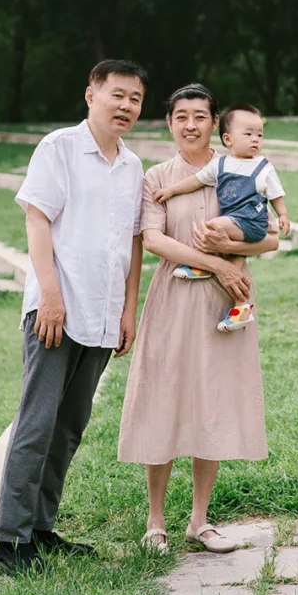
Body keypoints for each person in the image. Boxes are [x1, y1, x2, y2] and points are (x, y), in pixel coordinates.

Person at [0, 59, 149, 574]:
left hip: (103, 314)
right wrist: (50, 295)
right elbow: (37, 220)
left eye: (135, 99)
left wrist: (128, 309)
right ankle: (10, 541)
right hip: (56, 311)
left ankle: (40, 527)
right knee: (37, 424)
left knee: (69, 427)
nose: (126, 106)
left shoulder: (133, 166)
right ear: (91, 95)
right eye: (117, 94)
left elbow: (132, 242)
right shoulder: (58, 147)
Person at [117, 84, 278, 552]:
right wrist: (218, 263)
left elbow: (270, 238)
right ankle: (155, 521)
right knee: (163, 399)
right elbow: (153, 240)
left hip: (224, 303)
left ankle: (200, 520)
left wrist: (230, 250)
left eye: (200, 116)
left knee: (213, 401)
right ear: (169, 123)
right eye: (181, 116)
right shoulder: (156, 177)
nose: (191, 125)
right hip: (174, 299)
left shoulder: (241, 169)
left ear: (216, 125)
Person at [151, 103, 290, 331]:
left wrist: (282, 214)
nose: (255, 140)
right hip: (237, 223)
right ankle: (241, 307)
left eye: (259, 135)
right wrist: (171, 190)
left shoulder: (263, 167)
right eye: (248, 134)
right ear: (228, 139)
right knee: (235, 273)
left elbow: (276, 194)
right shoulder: (221, 164)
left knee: (213, 227)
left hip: (251, 222)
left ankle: (202, 265)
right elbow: (196, 180)